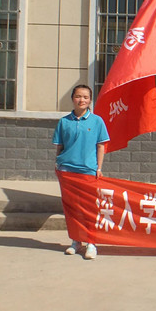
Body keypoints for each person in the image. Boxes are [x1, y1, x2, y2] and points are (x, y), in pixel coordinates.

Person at [53, 84, 109, 260]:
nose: (81, 100)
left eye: (85, 97)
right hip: (67, 171)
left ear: (90, 100)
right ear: (72, 98)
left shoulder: (97, 121)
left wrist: (99, 168)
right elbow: (59, 147)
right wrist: (58, 164)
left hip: (88, 171)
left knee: (89, 208)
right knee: (72, 209)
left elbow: (101, 146)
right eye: (78, 96)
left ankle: (91, 242)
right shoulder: (64, 122)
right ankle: (76, 241)